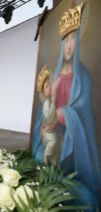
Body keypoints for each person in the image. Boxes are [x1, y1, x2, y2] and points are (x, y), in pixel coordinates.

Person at [32, 4, 100, 210]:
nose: (69, 45)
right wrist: (44, 128)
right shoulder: (53, 79)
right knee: (39, 159)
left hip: (73, 147)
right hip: (52, 140)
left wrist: (61, 115)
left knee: (85, 198)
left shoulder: (84, 77)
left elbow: (85, 117)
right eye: (65, 40)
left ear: (78, 40)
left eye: (73, 38)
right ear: (61, 44)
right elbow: (42, 117)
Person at [37, 67, 59, 168]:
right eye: (47, 86)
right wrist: (54, 103)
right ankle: (45, 155)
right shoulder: (46, 103)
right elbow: (49, 119)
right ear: (44, 93)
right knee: (54, 141)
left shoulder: (48, 101)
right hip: (47, 131)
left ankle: (54, 164)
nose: (50, 86)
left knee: (58, 140)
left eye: (49, 84)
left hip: (47, 129)